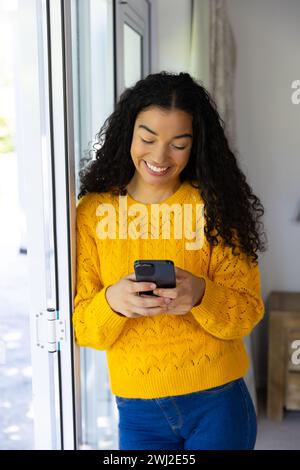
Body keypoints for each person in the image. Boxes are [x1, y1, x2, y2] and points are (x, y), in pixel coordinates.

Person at [72, 71, 267, 450]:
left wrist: (200, 296)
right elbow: (81, 328)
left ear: (196, 146)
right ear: (127, 133)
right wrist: (112, 302)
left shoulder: (216, 207)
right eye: (147, 139)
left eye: (178, 144)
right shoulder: (92, 213)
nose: (159, 157)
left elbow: (247, 311)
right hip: (137, 409)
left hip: (219, 401)